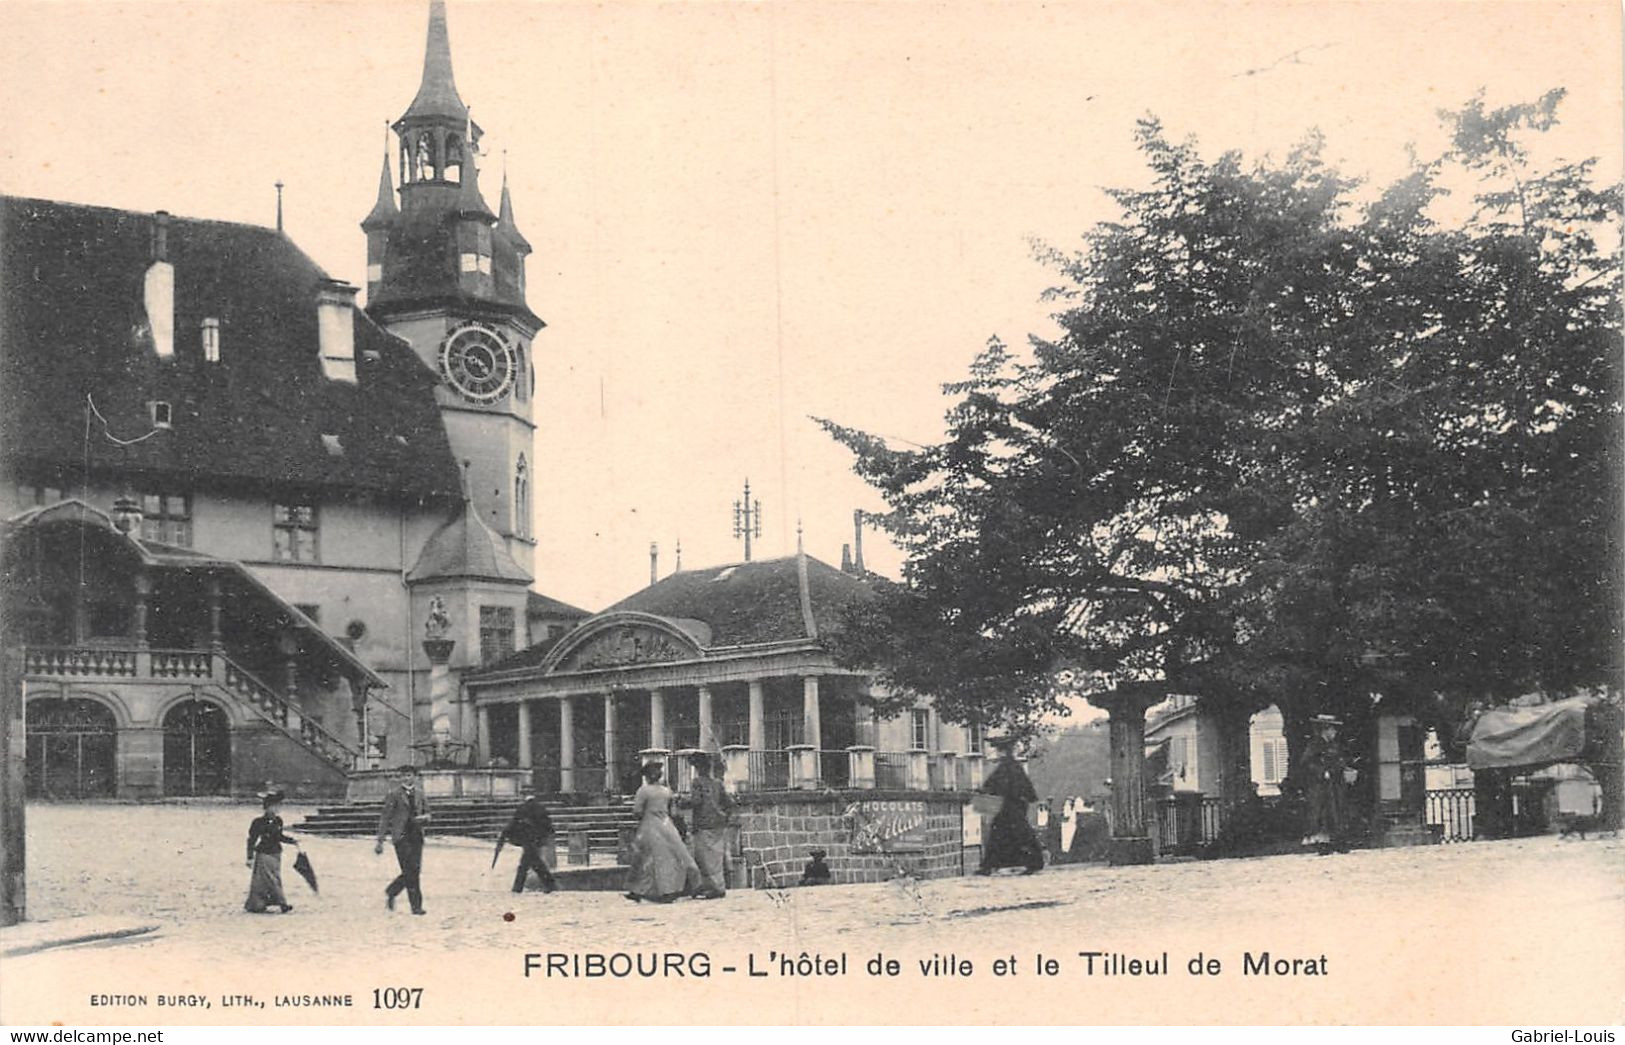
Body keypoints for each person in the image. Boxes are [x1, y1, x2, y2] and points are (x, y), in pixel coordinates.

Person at [624, 761, 701, 903]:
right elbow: (673, 812)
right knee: (671, 856)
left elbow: (637, 811)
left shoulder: (643, 791)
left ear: (647, 777)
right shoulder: (667, 791)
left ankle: (639, 890)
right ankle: (675, 888)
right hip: (666, 825)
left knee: (644, 858)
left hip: (649, 824)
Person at [977, 735, 1045, 875]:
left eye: (999, 750)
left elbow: (994, 785)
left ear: (1003, 751)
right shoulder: (1013, 766)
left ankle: (990, 866)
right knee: (1016, 835)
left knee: (1005, 835)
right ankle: (1032, 862)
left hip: (1009, 809)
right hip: (1013, 808)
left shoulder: (1006, 767)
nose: (997, 753)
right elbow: (1027, 789)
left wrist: (983, 791)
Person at [375, 764, 431, 914]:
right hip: (401, 836)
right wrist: (380, 840)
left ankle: (392, 891)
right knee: (409, 869)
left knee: (415, 870)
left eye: (410, 775)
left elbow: (428, 813)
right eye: (404, 775)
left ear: (415, 777)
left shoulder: (420, 793)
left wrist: (424, 818)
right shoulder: (394, 794)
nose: (407, 778)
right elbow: (385, 818)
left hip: (417, 835)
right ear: (400, 778)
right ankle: (416, 907)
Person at [678, 752, 733, 899]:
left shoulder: (697, 782)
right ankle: (714, 886)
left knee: (705, 858)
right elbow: (729, 803)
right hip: (718, 824)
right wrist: (725, 816)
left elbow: (696, 801)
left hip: (703, 823)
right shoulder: (718, 783)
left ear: (698, 768)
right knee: (715, 857)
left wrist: (682, 801)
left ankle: (714, 888)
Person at [1302, 715, 1352, 854]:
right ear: (1325, 730)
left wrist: (1344, 768)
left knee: (1337, 812)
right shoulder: (1314, 744)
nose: (1334, 733)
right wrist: (1322, 772)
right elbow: (1307, 763)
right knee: (1323, 813)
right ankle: (1323, 845)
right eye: (1332, 730)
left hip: (1335, 785)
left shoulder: (1333, 745)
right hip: (1320, 786)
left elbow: (1338, 760)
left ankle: (1339, 842)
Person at [244, 790, 297, 913]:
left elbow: (278, 836)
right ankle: (282, 903)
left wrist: (291, 841)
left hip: (276, 853)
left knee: (270, 879)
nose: (276, 809)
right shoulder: (258, 822)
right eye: (274, 806)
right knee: (271, 879)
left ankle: (258, 904)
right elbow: (251, 840)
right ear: (267, 807)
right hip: (264, 854)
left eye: (278, 806)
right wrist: (249, 857)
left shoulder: (279, 821)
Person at [501, 786, 558, 894]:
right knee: (533, 863)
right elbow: (548, 826)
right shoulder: (541, 808)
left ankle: (518, 888)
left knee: (527, 864)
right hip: (537, 840)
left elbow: (514, 824)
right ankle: (549, 885)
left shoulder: (522, 808)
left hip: (527, 840)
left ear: (524, 795)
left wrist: (505, 834)